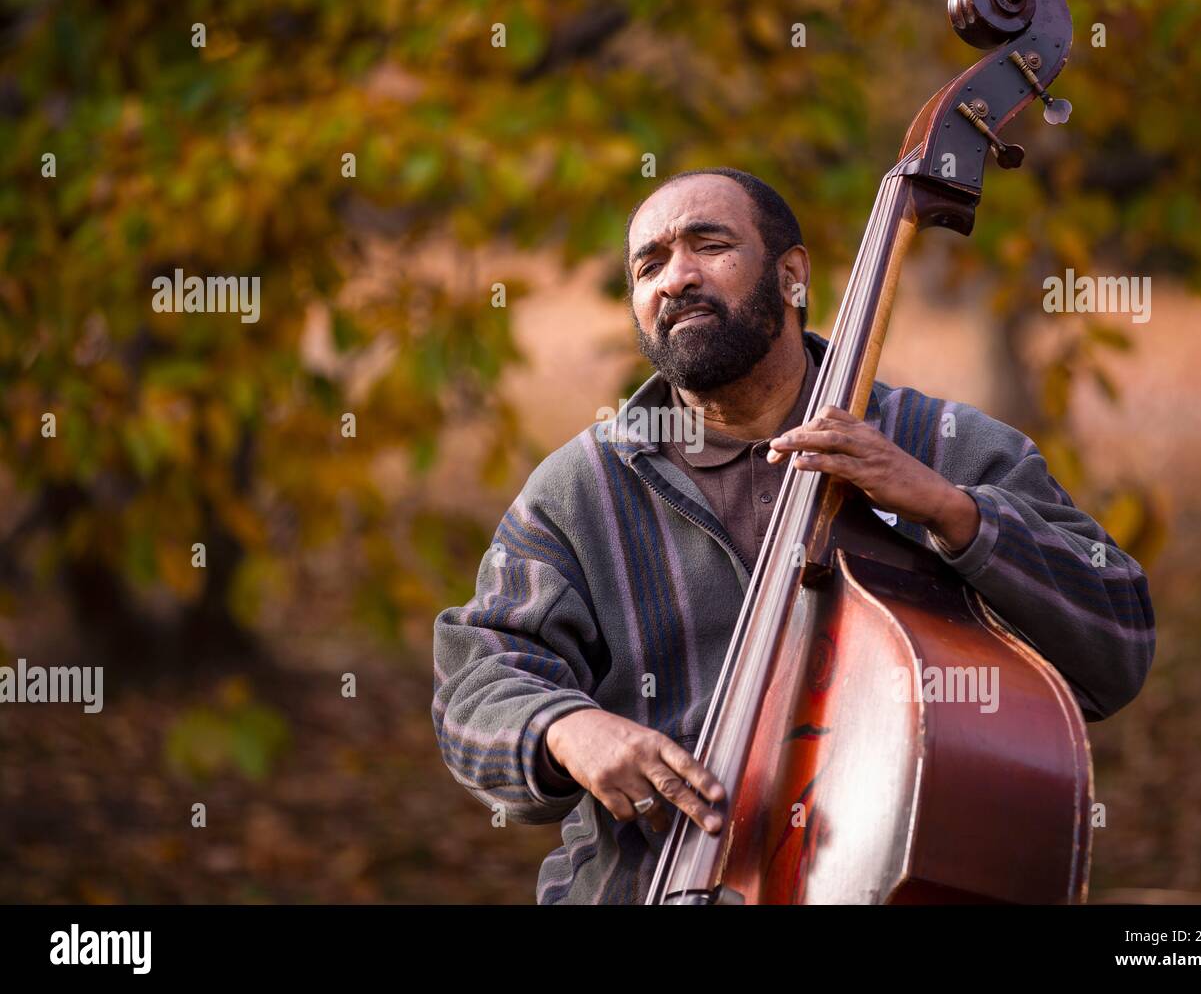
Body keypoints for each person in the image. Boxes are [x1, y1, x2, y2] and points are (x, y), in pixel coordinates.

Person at [432, 167, 1156, 905]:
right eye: (648, 265)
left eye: (709, 244)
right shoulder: (583, 486)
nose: (675, 278)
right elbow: (475, 682)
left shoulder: (940, 444)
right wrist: (566, 729)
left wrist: (953, 512)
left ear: (792, 276)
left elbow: (1117, 639)